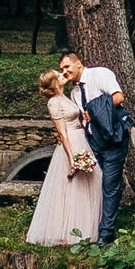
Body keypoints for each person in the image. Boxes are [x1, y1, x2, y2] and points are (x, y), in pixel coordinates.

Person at [58, 51, 133, 244]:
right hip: (93, 141)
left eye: (67, 67)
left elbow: (118, 97)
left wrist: (93, 109)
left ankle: (106, 234)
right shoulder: (74, 93)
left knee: (109, 185)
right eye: (61, 69)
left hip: (114, 139)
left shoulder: (100, 74)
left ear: (79, 64)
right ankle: (91, 227)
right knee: (95, 185)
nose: (64, 71)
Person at [25, 67, 102, 247]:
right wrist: (72, 159)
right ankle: (67, 232)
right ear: (53, 83)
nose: (62, 75)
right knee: (72, 188)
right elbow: (62, 133)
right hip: (71, 145)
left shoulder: (64, 97)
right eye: (58, 75)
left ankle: (86, 228)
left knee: (91, 182)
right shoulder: (53, 103)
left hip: (81, 139)